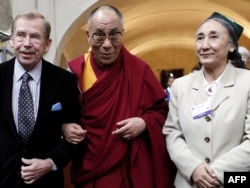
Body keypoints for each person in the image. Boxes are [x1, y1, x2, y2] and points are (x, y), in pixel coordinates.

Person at [62, 5, 176, 188]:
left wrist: (145, 122)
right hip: (89, 164)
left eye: (114, 35)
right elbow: (63, 114)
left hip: (129, 165)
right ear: (88, 36)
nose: (107, 44)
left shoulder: (139, 69)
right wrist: (65, 127)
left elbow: (163, 113)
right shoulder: (76, 70)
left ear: (122, 34)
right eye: (99, 35)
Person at [163, 11, 250, 188]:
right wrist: (194, 168)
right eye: (200, 38)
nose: (204, 45)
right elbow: (173, 133)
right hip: (190, 182)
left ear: (231, 46)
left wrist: (215, 174)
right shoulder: (180, 86)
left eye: (214, 37)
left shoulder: (247, 82)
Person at [0, 11, 82, 187]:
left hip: (47, 183)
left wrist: (51, 162)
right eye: (21, 35)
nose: (27, 44)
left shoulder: (64, 82)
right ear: (12, 40)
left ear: (47, 44)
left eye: (35, 37)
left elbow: (76, 138)